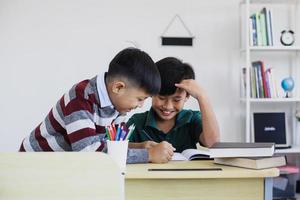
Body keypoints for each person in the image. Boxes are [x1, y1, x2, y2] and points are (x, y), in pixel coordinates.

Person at [19, 48, 175, 163]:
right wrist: (148, 155)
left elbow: (112, 146)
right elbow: (89, 153)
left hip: (65, 164)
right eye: (140, 99)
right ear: (118, 87)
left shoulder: (119, 105)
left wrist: (141, 147)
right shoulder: (81, 97)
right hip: (35, 163)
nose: (141, 105)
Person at [127, 57, 220, 154]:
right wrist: (141, 147)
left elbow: (213, 144)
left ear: (187, 96)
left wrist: (202, 97)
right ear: (152, 93)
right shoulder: (137, 122)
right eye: (162, 98)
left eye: (176, 100)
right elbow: (115, 148)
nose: (168, 106)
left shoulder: (192, 119)